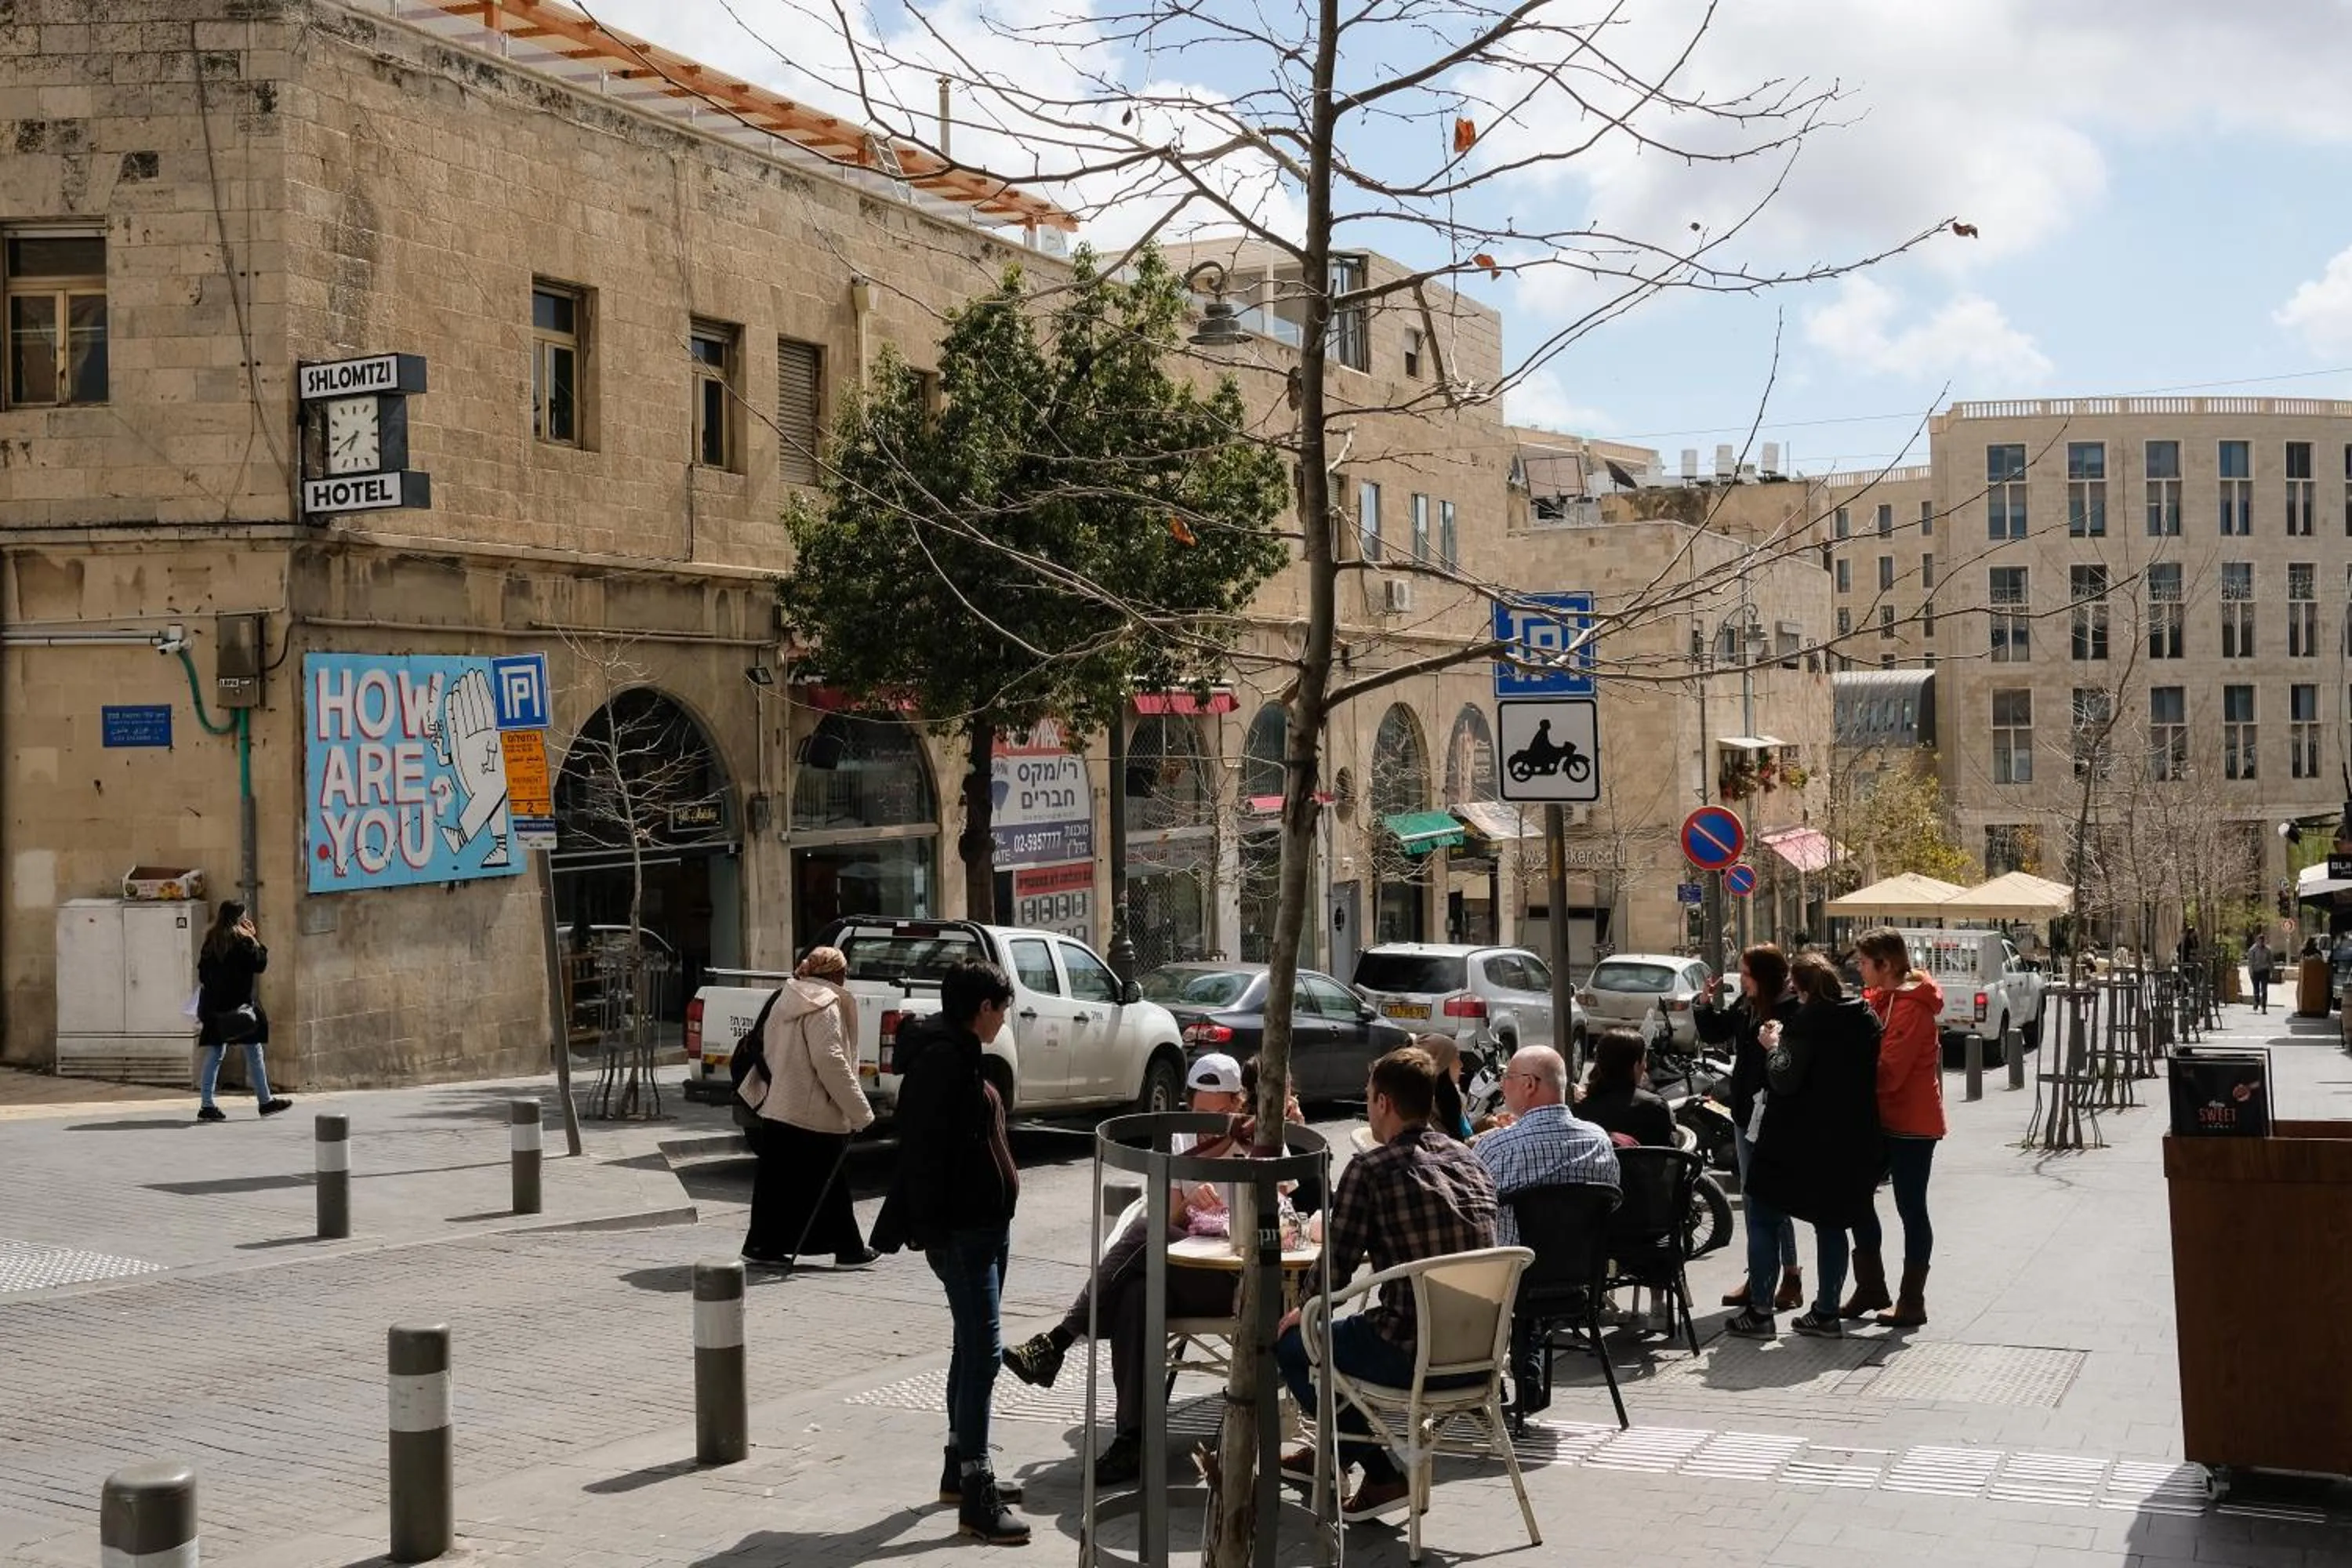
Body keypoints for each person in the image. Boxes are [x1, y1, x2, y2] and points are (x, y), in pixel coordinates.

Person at [999, 1053, 1254, 1486]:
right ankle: (1131, 1439)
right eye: (1199, 1112)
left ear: (1237, 1104)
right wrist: (1191, 1199)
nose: (1207, 1122)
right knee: (1137, 1295)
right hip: (1185, 1265)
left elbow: (1286, 1203)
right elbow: (1170, 1220)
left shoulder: (1257, 1137)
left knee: (1143, 1232)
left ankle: (1057, 1342)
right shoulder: (1180, 1139)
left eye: (1219, 1113)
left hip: (1235, 1275)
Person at [1275, 1047, 1499, 1523]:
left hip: (1412, 1353)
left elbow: (1336, 1265)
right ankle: (1330, 1458)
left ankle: (1380, 1475)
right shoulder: (1471, 1160)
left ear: (1382, 1103)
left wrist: (1304, 1311)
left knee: (1296, 1345)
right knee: (1347, 1334)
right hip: (1482, 1356)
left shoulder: (1372, 1169)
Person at [874, 959, 1029, 1544]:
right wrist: (931, 1229)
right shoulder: (943, 1062)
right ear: (983, 1009)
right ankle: (975, 1488)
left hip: (985, 1227)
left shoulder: (960, 1053)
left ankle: (960, 1467)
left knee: (971, 1347)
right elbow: (921, 1152)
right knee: (984, 1353)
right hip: (964, 1233)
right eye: (1003, 1007)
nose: (1005, 1018)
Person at [1730, 953, 1884, 1341]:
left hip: (1793, 1137)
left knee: (1763, 1214)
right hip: (1847, 1138)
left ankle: (1761, 1311)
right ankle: (1826, 1312)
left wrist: (1773, 1045)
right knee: (1830, 1223)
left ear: (1801, 988)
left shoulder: (1805, 1022)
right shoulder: (1864, 1017)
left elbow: (1784, 1078)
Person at [740, 946, 875, 1272]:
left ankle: (763, 1246)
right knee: (831, 1183)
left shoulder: (784, 997)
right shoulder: (824, 1004)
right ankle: (848, 1250)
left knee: (777, 1186)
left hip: (781, 1105)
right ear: (836, 973)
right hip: (814, 1112)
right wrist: (860, 1111)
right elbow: (831, 1061)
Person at [1842, 930, 1944, 1327]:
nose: (1859, 970)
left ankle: (1911, 1300)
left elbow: (1890, 1072)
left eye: (1864, 963)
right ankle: (1871, 1287)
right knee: (1856, 1198)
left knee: (1911, 1208)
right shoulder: (1883, 999)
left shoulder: (1910, 1007)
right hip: (1882, 1120)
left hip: (1912, 1123)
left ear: (1884, 964)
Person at [1694, 945, 1802, 1311]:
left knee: (1767, 1198)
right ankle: (1769, 1276)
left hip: (1773, 1115)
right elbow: (1716, 1032)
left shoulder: (1790, 1010)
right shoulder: (1748, 1004)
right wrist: (1704, 1005)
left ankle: (1779, 1277)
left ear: (1764, 976)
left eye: (1746, 973)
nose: (1741, 979)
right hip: (1744, 1112)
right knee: (1758, 1195)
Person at [194, 900, 292, 1123]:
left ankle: (207, 1105)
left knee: (216, 1054)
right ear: (240, 919)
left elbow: (202, 973)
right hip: (240, 1009)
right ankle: (265, 1102)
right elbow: (260, 965)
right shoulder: (243, 942)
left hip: (215, 1008)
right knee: (254, 1053)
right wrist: (254, 938)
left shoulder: (211, 941)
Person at [1576, 1029, 1679, 1148]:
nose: (1645, 1067)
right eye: (1644, 1061)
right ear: (1636, 1066)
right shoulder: (1655, 1107)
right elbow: (1671, 1153)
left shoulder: (1581, 1109)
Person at [2245, 931, 2274, 1015]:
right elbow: (2250, 962)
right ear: (2257, 941)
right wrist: (2250, 972)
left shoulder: (2268, 950)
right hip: (2256, 971)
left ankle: (2264, 1007)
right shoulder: (2252, 950)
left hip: (2264, 971)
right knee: (2256, 989)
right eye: (2260, 941)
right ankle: (2256, 1002)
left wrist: (2271, 971)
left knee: (2264, 990)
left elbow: (2271, 961)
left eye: (2263, 941)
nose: (2261, 943)